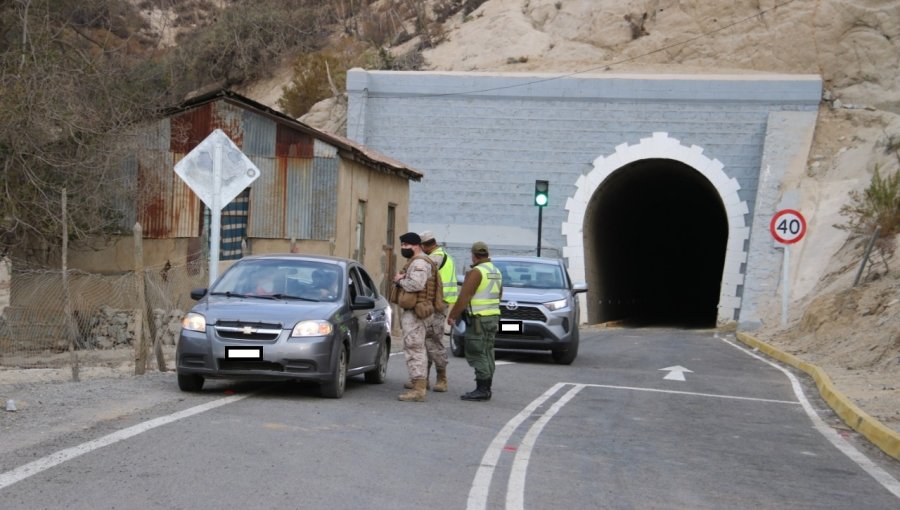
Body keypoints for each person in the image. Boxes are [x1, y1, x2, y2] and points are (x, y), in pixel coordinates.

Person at [390, 232, 442, 402]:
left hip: (416, 312)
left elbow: (416, 284)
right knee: (416, 347)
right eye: (402, 245)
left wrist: (399, 280)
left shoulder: (419, 262)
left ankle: (419, 389)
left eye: (407, 245)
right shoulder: (420, 260)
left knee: (414, 348)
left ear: (417, 245)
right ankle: (418, 383)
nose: (404, 248)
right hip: (419, 310)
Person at [447, 241, 502, 401]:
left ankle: (482, 389)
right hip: (493, 317)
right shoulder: (496, 271)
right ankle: (487, 387)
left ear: (474, 255)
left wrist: (453, 316)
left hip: (479, 319)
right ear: (487, 254)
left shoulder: (476, 272)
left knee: (476, 352)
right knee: (488, 351)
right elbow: (499, 294)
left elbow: (464, 296)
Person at [411, 230, 457, 392]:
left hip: (436, 304)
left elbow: (422, 278)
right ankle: (423, 379)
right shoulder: (445, 255)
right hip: (438, 303)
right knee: (425, 341)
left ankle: (441, 378)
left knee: (434, 340)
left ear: (424, 245)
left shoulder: (435, 258)